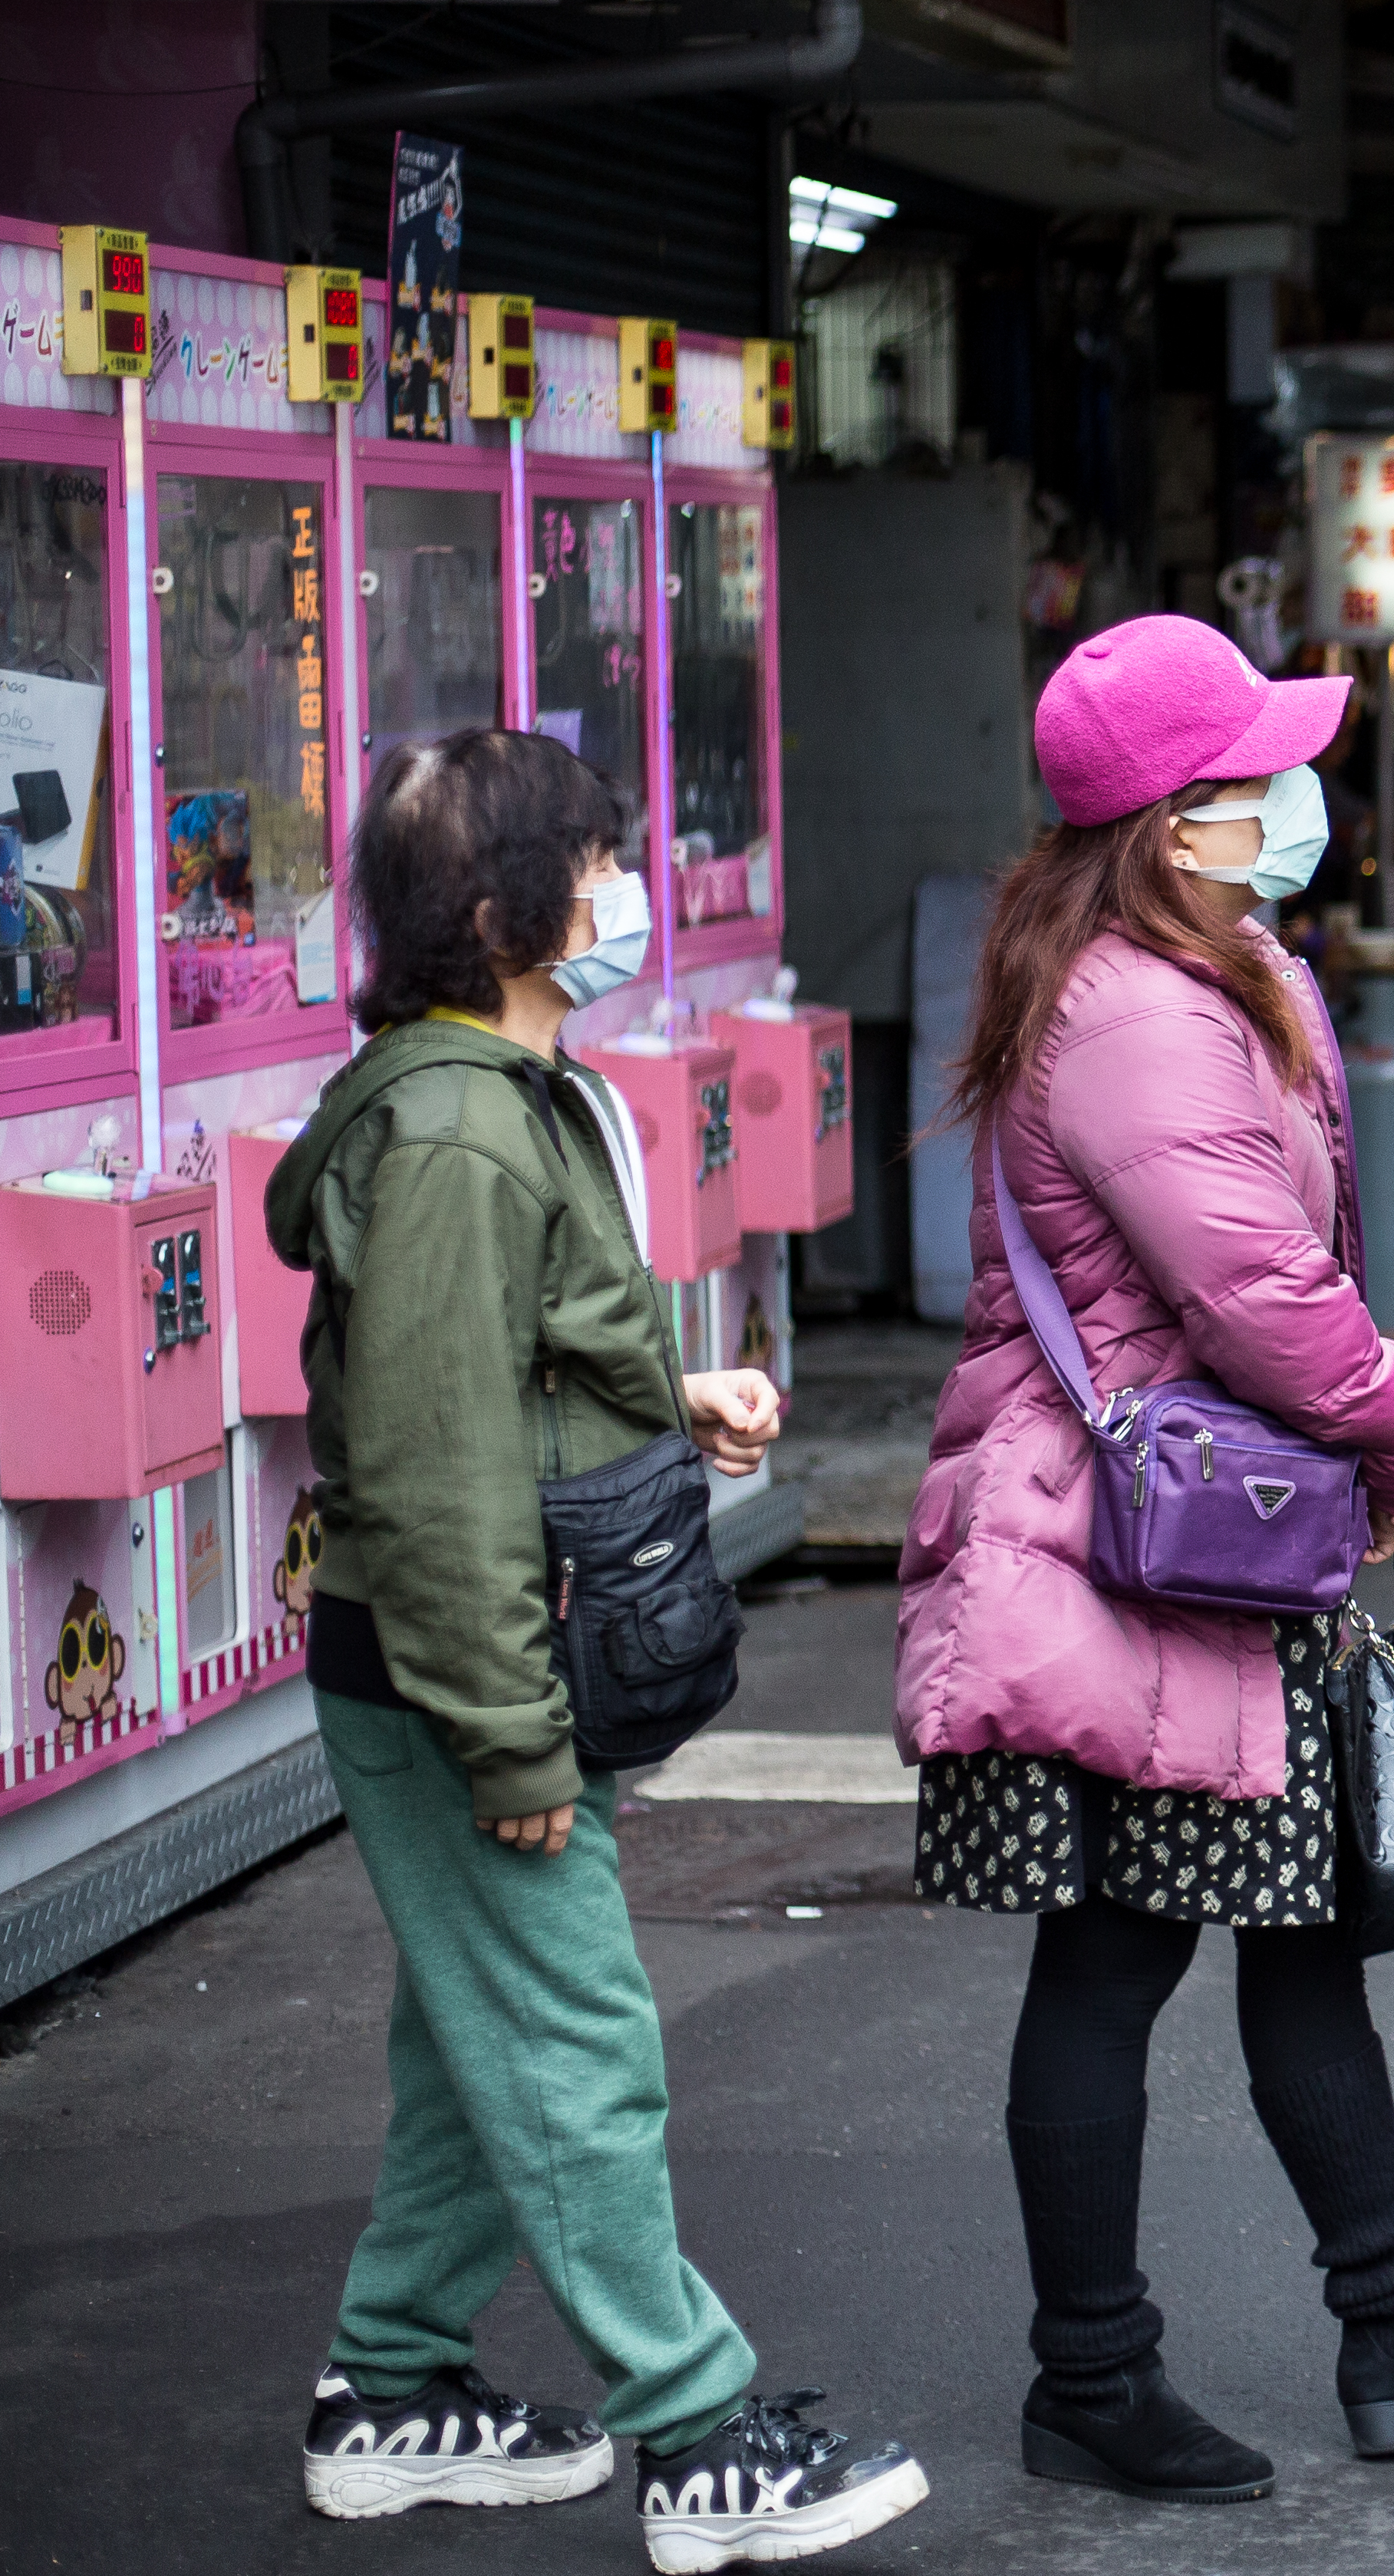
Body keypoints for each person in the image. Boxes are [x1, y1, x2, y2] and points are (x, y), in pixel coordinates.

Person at [898, 614, 1394, 2500]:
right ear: (1176, 818)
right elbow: (1254, 1290)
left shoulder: (1197, 968)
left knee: (1299, 1935)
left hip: (1210, 1533)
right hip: (1134, 1542)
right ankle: (1093, 2376)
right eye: (1255, 777)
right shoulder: (1136, 1009)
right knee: (1117, 1953)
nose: (1294, 799)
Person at [275, 729, 929, 2568]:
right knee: (573, 2043)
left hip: (490, 1653)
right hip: (462, 1674)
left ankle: (390, 2390)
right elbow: (431, 1457)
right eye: (596, 860)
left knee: (477, 2045)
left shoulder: (490, 1089)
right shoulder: (460, 1126)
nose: (622, 886)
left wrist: (668, 1388)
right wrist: (507, 1742)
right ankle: (699, 2429)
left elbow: (521, 1348)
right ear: (503, 912)